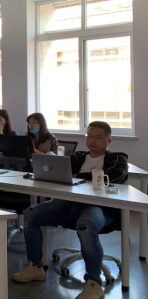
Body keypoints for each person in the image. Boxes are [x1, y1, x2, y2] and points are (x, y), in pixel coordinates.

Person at [13, 121, 128, 299]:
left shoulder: (118, 159)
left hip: (98, 207)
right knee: (31, 214)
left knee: (86, 224)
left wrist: (76, 175)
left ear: (109, 141)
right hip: (68, 204)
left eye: (98, 137)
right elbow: (59, 173)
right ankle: (35, 266)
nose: (92, 140)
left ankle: (94, 283)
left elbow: (112, 177)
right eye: (89, 136)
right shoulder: (77, 157)